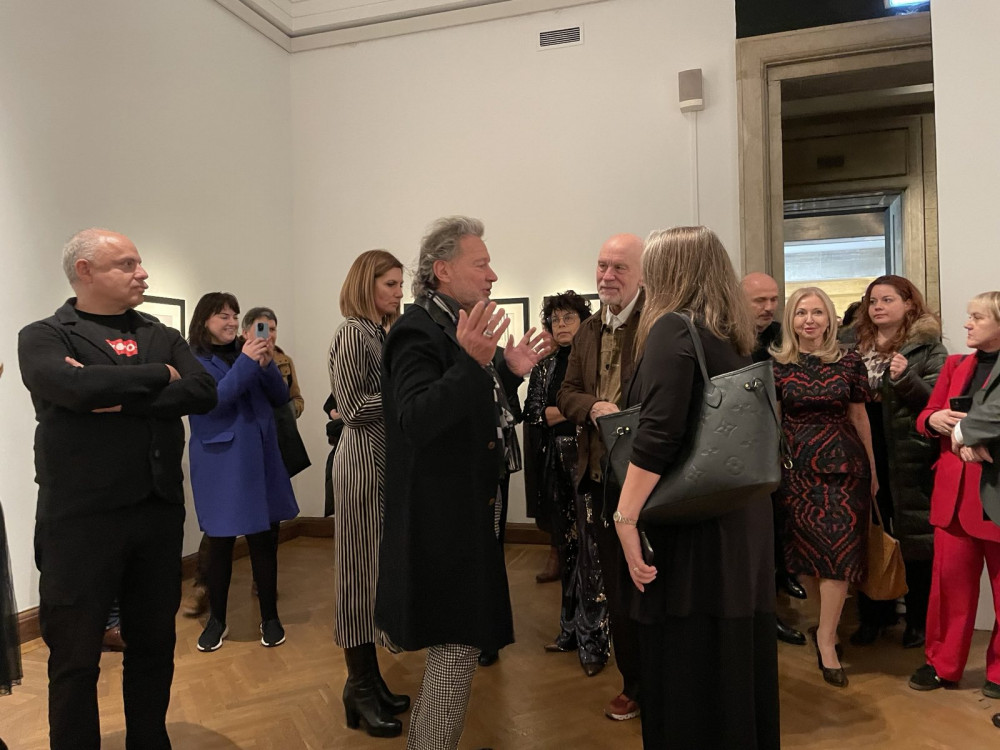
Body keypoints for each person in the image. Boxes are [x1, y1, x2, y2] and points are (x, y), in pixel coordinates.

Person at [17, 228, 217, 749]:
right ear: (84, 271)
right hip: (79, 521)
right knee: (74, 656)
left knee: (154, 645)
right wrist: (160, 377)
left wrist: (115, 395)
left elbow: (202, 390)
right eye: (126, 264)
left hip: (156, 513)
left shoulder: (158, 332)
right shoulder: (44, 336)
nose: (142, 273)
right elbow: (72, 387)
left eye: (139, 263)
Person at [375, 216, 551, 750]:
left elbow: (471, 408)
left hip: (465, 511)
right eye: (482, 264)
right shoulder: (417, 330)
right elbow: (415, 419)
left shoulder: (454, 326)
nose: (492, 275)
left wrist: (508, 371)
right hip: (441, 520)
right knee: (455, 647)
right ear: (443, 270)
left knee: (460, 647)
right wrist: (475, 365)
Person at [613, 226, 779, 748]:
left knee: (687, 667)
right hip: (738, 516)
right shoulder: (731, 334)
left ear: (669, 271)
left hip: (692, 524)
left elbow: (659, 435)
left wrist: (625, 516)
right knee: (731, 660)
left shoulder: (673, 328)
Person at [557, 233, 645, 721]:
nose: (607, 276)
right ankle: (634, 683)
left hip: (650, 479)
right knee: (617, 586)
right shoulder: (589, 330)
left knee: (652, 582)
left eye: (619, 268)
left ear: (642, 274)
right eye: (601, 266)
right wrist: (593, 407)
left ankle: (664, 680)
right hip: (601, 478)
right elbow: (566, 392)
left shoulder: (657, 326)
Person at [771, 286, 877, 688]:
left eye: (817, 312)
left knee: (839, 555)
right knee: (808, 560)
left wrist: (873, 470)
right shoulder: (776, 365)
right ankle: (823, 624)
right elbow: (772, 422)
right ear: (791, 320)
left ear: (830, 319)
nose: (809, 320)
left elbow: (860, 417)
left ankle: (827, 639)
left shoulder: (849, 361)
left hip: (845, 469)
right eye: (801, 313)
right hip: (796, 471)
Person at [187, 292, 299, 653]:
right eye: (223, 316)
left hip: (260, 458)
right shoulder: (193, 359)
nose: (232, 322)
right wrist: (249, 363)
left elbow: (280, 397)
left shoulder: (246, 352)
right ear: (204, 320)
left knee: (264, 540)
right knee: (220, 544)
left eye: (235, 315)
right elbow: (215, 401)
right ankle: (217, 620)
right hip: (220, 462)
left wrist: (265, 364)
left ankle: (270, 616)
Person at [329, 249, 409, 738]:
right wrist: (409, 390)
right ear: (366, 284)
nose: (399, 293)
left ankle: (369, 680)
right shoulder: (353, 333)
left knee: (372, 574)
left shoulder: (377, 332)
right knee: (358, 576)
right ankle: (358, 685)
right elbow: (354, 408)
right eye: (390, 284)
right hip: (361, 464)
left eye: (400, 284)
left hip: (378, 461)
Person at [846, 275, 947, 650]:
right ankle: (874, 616)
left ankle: (918, 621)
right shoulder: (853, 347)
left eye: (887, 300)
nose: (878, 307)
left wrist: (904, 378)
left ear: (908, 304)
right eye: (872, 301)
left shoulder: (928, 349)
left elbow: (937, 403)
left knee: (916, 541)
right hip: (863, 453)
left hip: (910, 456)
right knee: (869, 534)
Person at [908, 291, 1000, 699]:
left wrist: (975, 441)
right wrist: (935, 420)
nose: (967, 324)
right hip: (953, 498)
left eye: (977, 317)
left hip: (993, 496)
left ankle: (999, 674)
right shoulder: (956, 365)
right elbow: (924, 416)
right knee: (949, 591)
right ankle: (942, 665)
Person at [524, 291, 609, 676]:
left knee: (593, 550)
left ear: (583, 322)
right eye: (555, 319)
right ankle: (569, 630)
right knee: (568, 546)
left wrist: (570, 409)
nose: (561, 325)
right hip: (557, 463)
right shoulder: (545, 366)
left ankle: (595, 640)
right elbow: (535, 413)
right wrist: (578, 407)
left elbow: (602, 404)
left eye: (568, 318)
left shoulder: (593, 359)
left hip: (589, 460)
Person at [742, 271, 809, 648]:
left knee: (779, 519)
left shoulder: (782, 335)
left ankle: (782, 579)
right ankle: (764, 613)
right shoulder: (725, 336)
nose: (769, 307)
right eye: (760, 301)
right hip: (740, 449)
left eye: (773, 300)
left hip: (781, 444)